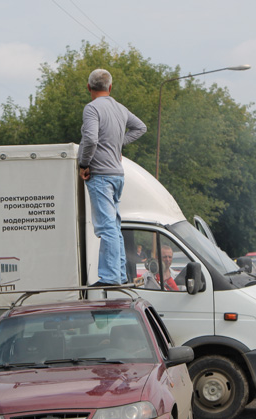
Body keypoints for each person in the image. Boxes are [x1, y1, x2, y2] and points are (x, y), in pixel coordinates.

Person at [78, 68, 147, 286]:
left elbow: (89, 138)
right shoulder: (120, 108)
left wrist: (84, 163)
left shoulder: (91, 109)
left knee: (106, 226)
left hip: (100, 175)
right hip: (118, 175)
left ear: (89, 87)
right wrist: (118, 144)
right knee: (114, 227)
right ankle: (119, 274)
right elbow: (140, 128)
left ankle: (109, 278)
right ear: (110, 87)